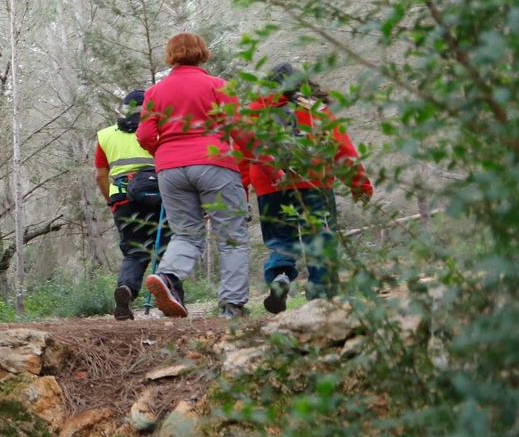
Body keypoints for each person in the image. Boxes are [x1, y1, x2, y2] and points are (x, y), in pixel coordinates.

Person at [135, 32, 251, 318]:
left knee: (186, 233)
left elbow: (146, 134)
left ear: (170, 54)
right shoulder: (218, 86)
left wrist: (166, 155)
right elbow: (240, 130)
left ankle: (168, 277)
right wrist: (255, 158)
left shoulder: (156, 92)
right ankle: (232, 305)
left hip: (170, 169)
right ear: (203, 53)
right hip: (215, 162)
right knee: (231, 236)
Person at [245, 62, 372, 313]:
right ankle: (321, 296)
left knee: (281, 239)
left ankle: (280, 275)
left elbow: (243, 150)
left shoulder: (254, 111)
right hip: (313, 180)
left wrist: (240, 186)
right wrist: (359, 183)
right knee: (319, 239)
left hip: (270, 182)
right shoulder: (315, 109)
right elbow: (341, 146)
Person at [94, 89, 161, 321]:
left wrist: (109, 199)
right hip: (160, 197)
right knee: (166, 248)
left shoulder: (106, 136)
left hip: (124, 199)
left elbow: (100, 175)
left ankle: (127, 290)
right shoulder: (158, 130)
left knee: (134, 251)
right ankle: (174, 299)